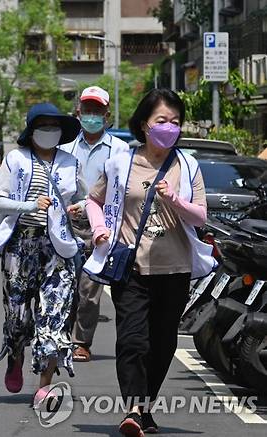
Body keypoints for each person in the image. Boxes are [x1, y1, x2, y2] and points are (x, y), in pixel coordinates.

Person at [83, 89, 216, 436]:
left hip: (175, 270)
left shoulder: (188, 165)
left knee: (162, 343)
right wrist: (99, 230)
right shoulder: (120, 162)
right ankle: (133, 409)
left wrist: (175, 200)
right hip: (132, 267)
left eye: (175, 122)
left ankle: (145, 407)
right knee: (132, 340)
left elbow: (200, 217)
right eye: (161, 121)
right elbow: (93, 201)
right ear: (144, 125)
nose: (169, 128)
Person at [0, 102, 87, 399]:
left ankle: (44, 386)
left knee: (55, 316)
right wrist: (28, 206)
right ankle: (15, 355)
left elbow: (86, 200)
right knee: (18, 319)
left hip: (57, 249)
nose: (49, 131)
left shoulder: (71, 163)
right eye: (43, 125)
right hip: (21, 246)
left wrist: (79, 209)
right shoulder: (15, 159)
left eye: (54, 126)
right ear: (31, 131)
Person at [60, 86, 129, 362]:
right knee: (65, 284)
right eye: (86, 109)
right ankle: (61, 334)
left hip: (100, 227)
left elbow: (121, 189)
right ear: (78, 112)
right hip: (66, 224)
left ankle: (81, 341)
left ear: (106, 114)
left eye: (96, 111)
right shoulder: (65, 148)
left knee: (89, 289)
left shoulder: (120, 150)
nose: (91, 115)